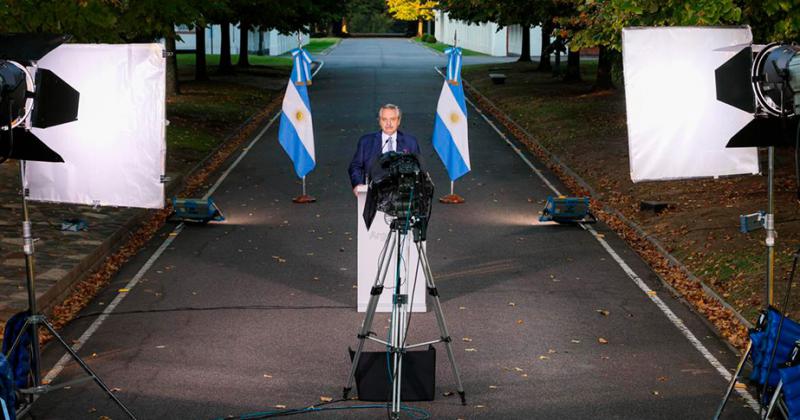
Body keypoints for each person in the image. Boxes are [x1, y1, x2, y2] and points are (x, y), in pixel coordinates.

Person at [348, 104, 421, 196]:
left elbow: (419, 169)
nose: (388, 124)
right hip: (372, 192)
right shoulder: (366, 142)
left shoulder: (410, 142)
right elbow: (355, 166)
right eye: (384, 119)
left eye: (393, 119)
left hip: (402, 195)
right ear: (379, 121)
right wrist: (358, 184)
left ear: (399, 121)